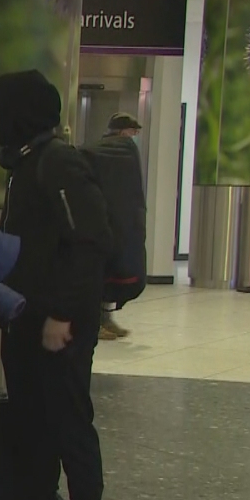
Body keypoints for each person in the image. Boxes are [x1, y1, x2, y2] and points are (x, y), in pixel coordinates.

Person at [0, 70, 115, 500]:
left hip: (60, 323)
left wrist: (62, 314)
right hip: (26, 319)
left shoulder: (59, 161)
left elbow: (90, 242)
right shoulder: (24, 164)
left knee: (67, 424)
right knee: (31, 425)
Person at [94, 112, 145, 341]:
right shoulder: (113, 151)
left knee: (113, 271)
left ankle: (106, 319)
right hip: (109, 221)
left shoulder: (120, 151)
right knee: (103, 272)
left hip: (118, 220)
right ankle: (97, 323)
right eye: (132, 131)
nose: (134, 135)